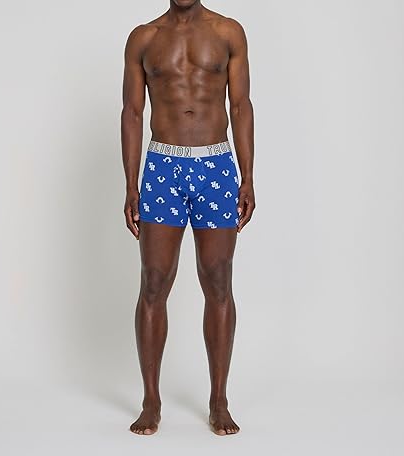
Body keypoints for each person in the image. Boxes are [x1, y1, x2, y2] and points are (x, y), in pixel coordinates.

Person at [121, 0, 255, 436]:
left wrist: (248, 177)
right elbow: (132, 113)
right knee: (153, 281)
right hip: (162, 165)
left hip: (216, 165)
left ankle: (219, 400)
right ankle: (151, 400)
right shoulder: (144, 38)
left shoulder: (228, 32)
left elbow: (241, 106)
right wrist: (131, 184)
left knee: (218, 280)